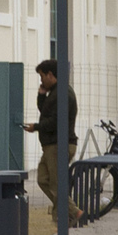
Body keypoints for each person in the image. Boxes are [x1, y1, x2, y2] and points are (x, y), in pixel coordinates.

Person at [23, 58, 81, 221]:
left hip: (59, 144)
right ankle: (73, 211)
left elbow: (55, 121)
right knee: (43, 179)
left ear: (50, 75)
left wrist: (36, 127)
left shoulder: (63, 94)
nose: (41, 80)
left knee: (55, 184)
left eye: (42, 76)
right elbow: (46, 111)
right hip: (51, 145)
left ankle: (64, 218)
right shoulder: (55, 93)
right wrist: (41, 95)